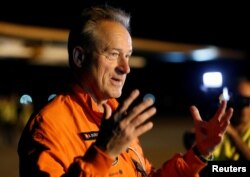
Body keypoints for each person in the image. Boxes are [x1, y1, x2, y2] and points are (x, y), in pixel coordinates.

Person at [18, 5, 233, 177]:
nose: (126, 68)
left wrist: (198, 153)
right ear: (79, 57)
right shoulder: (49, 126)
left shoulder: (117, 118)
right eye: (113, 54)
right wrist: (103, 153)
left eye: (128, 56)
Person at [213, 78, 250, 160]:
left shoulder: (227, 129)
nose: (244, 106)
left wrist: (232, 133)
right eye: (239, 100)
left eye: (247, 101)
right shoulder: (221, 129)